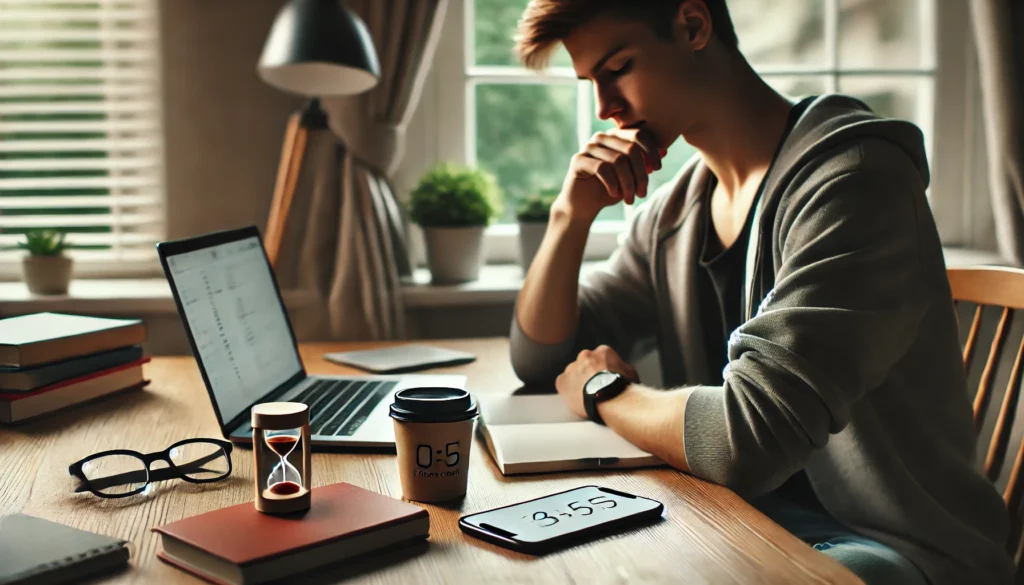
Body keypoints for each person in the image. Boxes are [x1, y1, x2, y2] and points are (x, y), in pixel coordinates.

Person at [508, 1, 1014, 584]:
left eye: (618, 67)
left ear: (693, 26)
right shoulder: (678, 211)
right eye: (590, 82)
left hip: (894, 548)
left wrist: (605, 391)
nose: (605, 107)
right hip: (738, 517)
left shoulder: (854, 181)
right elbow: (542, 357)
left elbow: (746, 438)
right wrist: (568, 217)